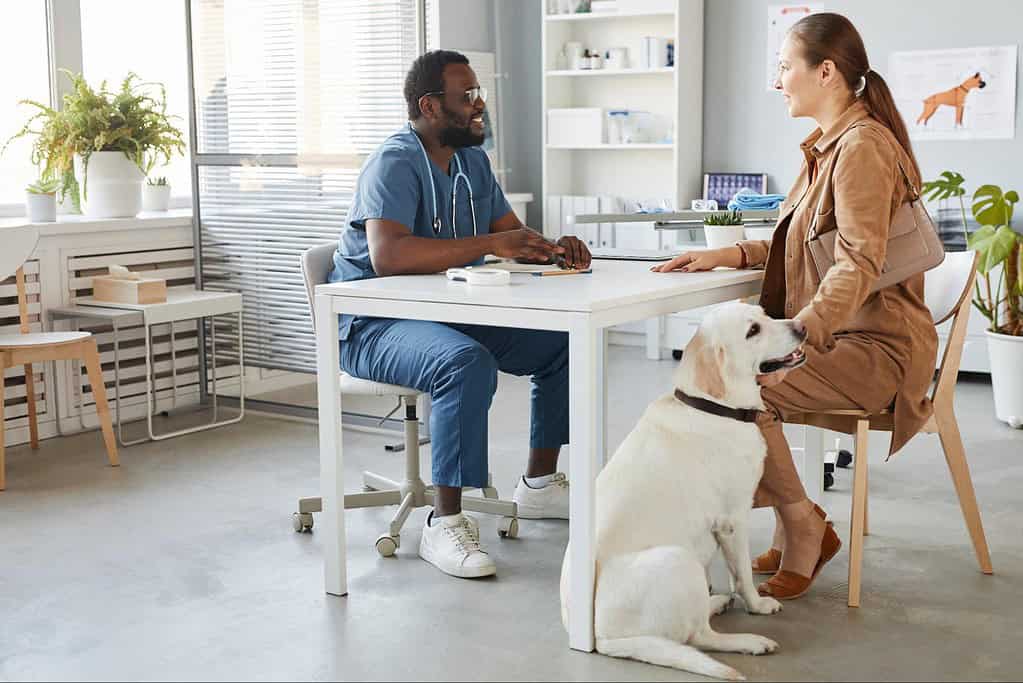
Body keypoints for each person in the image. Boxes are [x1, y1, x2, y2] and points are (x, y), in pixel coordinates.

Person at [653, 13, 938, 600]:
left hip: (878, 349)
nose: (778, 80)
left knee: (744, 387)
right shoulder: (828, 147)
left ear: (825, 72)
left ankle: (803, 525)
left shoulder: (860, 148)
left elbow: (857, 260)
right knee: (736, 384)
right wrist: (730, 254)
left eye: (785, 67)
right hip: (849, 335)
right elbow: (807, 239)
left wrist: (799, 332)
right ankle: (794, 519)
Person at [329, 50, 592, 579]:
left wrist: (550, 247)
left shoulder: (473, 160)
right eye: (467, 95)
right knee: (463, 363)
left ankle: (538, 486)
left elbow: (509, 236)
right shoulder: (394, 162)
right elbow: (390, 257)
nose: (479, 106)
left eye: (479, 93)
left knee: (562, 341)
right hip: (372, 324)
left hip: (445, 311)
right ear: (429, 106)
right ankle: (443, 521)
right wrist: (498, 241)